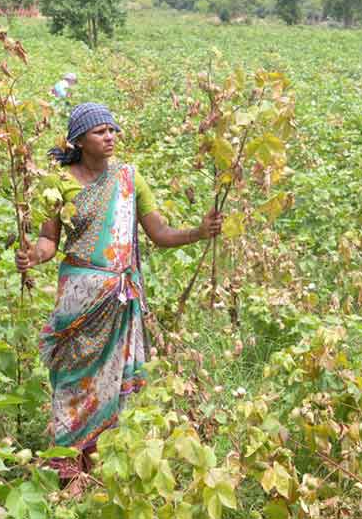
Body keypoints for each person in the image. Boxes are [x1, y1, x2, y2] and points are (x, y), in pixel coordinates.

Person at [15, 102, 222, 493]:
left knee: (111, 384)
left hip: (119, 299)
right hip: (78, 299)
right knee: (73, 383)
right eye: (100, 132)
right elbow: (48, 241)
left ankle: (95, 466)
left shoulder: (129, 178)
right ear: (79, 140)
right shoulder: (58, 184)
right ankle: (68, 470)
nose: (110, 137)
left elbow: (159, 233)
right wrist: (32, 255)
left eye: (113, 130)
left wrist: (199, 231)